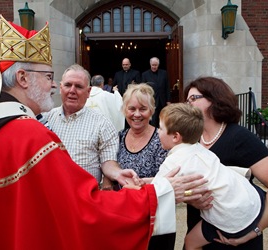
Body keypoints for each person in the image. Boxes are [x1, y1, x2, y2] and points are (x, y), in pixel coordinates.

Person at [0, 15, 209, 249]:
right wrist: (157, 192)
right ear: (22, 78)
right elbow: (83, 212)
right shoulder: (29, 137)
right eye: (49, 77)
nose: (54, 87)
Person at [155, 103, 268, 250]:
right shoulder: (199, 148)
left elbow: (156, 191)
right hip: (247, 197)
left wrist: (140, 183)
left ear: (176, 136)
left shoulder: (171, 163)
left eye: (161, 128)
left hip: (230, 216)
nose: (157, 131)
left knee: (191, 242)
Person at [183, 76, 268, 250]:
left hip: (235, 239)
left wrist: (254, 231)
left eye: (194, 98)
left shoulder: (239, 137)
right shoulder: (190, 140)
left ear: (214, 100)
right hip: (199, 229)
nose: (187, 104)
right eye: (186, 100)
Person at [42, 65, 126, 190]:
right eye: (67, 85)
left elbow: (108, 161)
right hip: (51, 196)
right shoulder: (45, 120)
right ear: (60, 88)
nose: (72, 90)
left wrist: (117, 174)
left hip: (85, 199)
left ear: (88, 92)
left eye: (79, 86)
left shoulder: (102, 124)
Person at [117, 83, 174, 250]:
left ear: (151, 111)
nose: (136, 114)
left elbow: (168, 178)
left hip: (156, 219)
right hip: (125, 217)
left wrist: (142, 183)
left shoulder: (161, 139)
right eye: (131, 108)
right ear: (124, 110)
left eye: (143, 109)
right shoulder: (119, 137)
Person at [141, 57, 171, 127]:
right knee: (153, 120)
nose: (154, 67)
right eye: (153, 65)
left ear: (158, 65)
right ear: (150, 64)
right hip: (152, 101)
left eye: (156, 65)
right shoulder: (145, 75)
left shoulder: (164, 73)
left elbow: (167, 87)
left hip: (162, 100)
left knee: (163, 118)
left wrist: (168, 100)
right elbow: (143, 90)